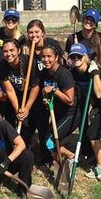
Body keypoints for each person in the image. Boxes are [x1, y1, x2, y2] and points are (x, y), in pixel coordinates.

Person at [69, 43, 101, 179]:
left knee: (93, 133)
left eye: (79, 56)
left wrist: (95, 74)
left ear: (85, 57)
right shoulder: (74, 73)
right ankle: (98, 157)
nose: (76, 58)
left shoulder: (93, 69)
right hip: (96, 107)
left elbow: (100, 93)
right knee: (94, 132)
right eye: (73, 56)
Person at [25, 19, 64, 166]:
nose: (33, 35)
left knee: (44, 126)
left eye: (36, 32)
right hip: (34, 90)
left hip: (49, 90)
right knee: (31, 125)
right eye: (30, 32)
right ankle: (30, 154)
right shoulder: (27, 49)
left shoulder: (51, 45)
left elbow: (60, 66)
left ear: (43, 32)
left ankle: (46, 157)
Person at [0, 38, 40, 144]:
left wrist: (26, 108)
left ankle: (35, 150)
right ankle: (13, 147)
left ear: (18, 51)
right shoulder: (1, 66)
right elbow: (9, 90)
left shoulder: (30, 62)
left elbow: (35, 87)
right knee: (14, 121)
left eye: (12, 50)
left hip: (31, 96)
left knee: (29, 124)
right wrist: (18, 110)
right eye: (5, 51)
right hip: (15, 96)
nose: (8, 54)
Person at [41, 44, 80, 163]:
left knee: (50, 141)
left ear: (56, 57)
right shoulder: (46, 72)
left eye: (49, 56)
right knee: (47, 141)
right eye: (43, 57)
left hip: (70, 114)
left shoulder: (63, 74)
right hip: (57, 113)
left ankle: (71, 157)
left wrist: (54, 90)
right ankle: (60, 164)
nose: (46, 59)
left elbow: (70, 100)